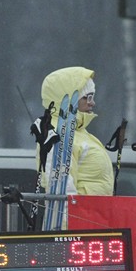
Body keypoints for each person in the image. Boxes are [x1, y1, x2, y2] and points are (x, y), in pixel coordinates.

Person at [37, 67, 114, 196]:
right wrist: (71, 215)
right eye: (88, 97)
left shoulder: (80, 132)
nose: (92, 103)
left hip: (93, 213)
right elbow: (61, 194)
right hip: (79, 214)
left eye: (93, 97)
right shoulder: (56, 134)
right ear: (67, 99)